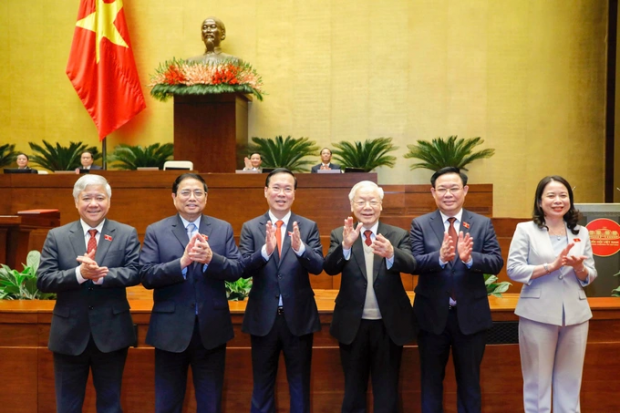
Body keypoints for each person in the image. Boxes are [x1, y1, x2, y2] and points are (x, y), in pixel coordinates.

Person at [140, 173, 244, 413]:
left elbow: (237, 269)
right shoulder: (157, 230)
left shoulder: (222, 228)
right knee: (168, 403)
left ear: (206, 197)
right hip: (169, 330)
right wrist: (182, 263)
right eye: (185, 192)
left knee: (210, 403)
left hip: (212, 329)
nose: (192, 198)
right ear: (174, 197)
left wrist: (211, 259)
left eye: (198, 192)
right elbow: (145, 275)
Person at [37, 174, 141, 413]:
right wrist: (80, 274)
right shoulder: (58, 236)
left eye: (99, 197)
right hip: (69, 335)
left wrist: (102, 276)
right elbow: (44, 280)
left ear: (109, 201)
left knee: (110, 404)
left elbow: (136, 273)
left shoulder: (126, 233)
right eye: (87, 198)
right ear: (76, 202)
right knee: (67, 405)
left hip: (112, 333)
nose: (93, 203)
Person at [410, 166, 504, 413]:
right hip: (431, 318)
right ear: (433, 192)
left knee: (470, 384)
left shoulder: (482, 224)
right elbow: (413, 263)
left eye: (454, 188)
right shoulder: (420, 224)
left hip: (471, 318)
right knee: (431, 383)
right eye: (442, 189)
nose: (448, 193)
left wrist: (470, 258)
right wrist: (439, 258)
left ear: (465, 191)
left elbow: (496, 262)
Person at [324, 180, 416, 413]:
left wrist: (392, 253)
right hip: (352, 325)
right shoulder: (340, 234)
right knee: (354, 389)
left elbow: (412, 264)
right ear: (352, 206)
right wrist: (345, 247)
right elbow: (330, 268)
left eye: (373, 201)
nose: (367, 206)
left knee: (387, 389)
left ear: (381, 206)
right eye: (361, 201)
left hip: (389, 325)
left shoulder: (396, 235)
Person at [506, 175, 597, 413]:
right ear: (539, 201)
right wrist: (551, 267)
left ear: (570, 200)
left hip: (575, 315)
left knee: (570, 381)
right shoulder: (525, 230)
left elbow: (590, 274)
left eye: (563, 195)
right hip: (537, 313)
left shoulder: (582, 232)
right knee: (537, 382)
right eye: (551, 195)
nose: (558, 200)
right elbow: (513, 269)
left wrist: (579, 268)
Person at [239, 168, 323, 413]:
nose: (281, 193)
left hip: (298, 318)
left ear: (295, 193)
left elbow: (319, 266)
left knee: (299, 384)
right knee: (262, 385)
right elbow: (242, 268)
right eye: (276, 188)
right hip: (263, 318)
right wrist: (264, 251)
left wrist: (301, 249)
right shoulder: (251, 227)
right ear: (266, 191)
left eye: (288, 188)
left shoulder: (307, 226)